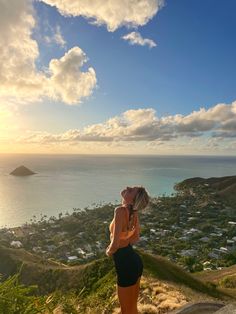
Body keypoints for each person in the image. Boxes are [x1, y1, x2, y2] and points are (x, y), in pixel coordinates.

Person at [106, 186, 149, 314]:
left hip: (124, 263)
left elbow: (115, 243)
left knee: (125, 310)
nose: (127, 187)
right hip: (134, 262)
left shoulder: (119, 211)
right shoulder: (134, 213)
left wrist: (109, 251)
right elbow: (136, 237)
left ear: (132, 200)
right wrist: (126, 239)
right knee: (132, 308)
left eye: (131, 190)